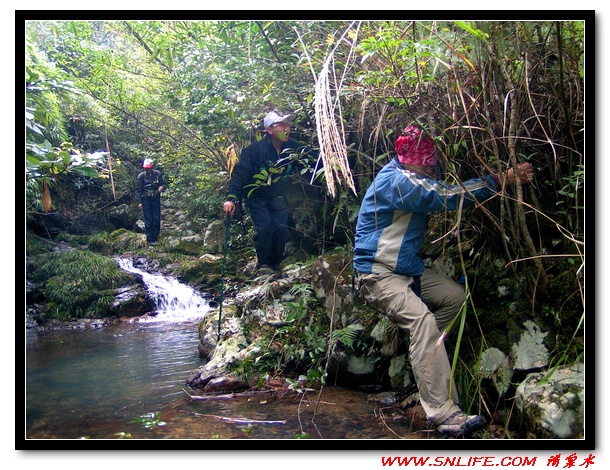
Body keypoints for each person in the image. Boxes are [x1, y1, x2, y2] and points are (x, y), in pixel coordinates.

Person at [353, 125, 535, 437]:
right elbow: (444, 196)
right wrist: (498, 180)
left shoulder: (407, 174)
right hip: (377, 273)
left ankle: (426, 360)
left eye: (431, 162)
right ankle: (443, 413)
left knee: (454, 297)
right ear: (410, 160)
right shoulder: (397, 181)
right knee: (422, 322)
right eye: (427, 162)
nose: (431, 168)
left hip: (407, 270)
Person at [223, 109, 314, 275]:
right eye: (281, 125)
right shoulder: (254, 151)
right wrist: (231, 198)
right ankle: (264, 264)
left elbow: (312, 159)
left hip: (277, 197)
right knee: (264, 228)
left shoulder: (293, 147)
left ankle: (275, 264)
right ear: (270, 130)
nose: (286, 128)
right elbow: (239, 175)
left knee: (281, 229)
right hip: (256, 197)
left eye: (287, 124)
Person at [136, 158, 165, 246]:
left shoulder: (157, 174)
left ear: (152, 167)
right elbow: (138, 190)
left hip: (155, 199)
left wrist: (159, 190)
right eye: (145, 168)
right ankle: (149, 238)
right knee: (148, 219)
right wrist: (140, 202)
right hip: (145, 200)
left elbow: (163, 184)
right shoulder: (141, 176)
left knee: (156, 218)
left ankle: (156, 237)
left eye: (148, 167)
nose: (147, 169)